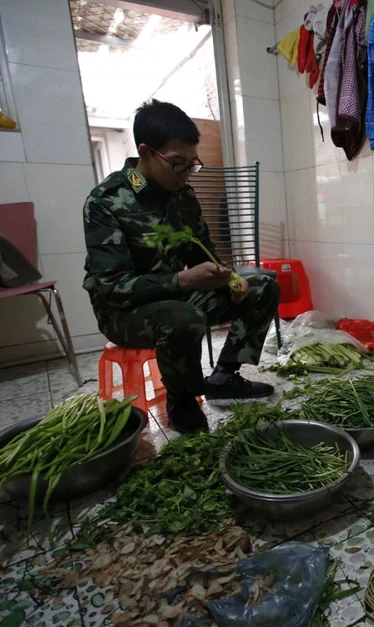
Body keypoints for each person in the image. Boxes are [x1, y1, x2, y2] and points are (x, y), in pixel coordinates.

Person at [83, 100, 279, 434]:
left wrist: (226, 277)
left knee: (263, 286)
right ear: (145, 152)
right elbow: (111, 285)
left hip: (177, 298)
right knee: (180, 316)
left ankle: (224, 376)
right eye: (177, 164)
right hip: (124, 313)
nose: (186, 173)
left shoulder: (183, 196)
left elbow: (203, 253)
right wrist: (182, 280)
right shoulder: (106, 201)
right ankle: (182, 401)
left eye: (192, 164)